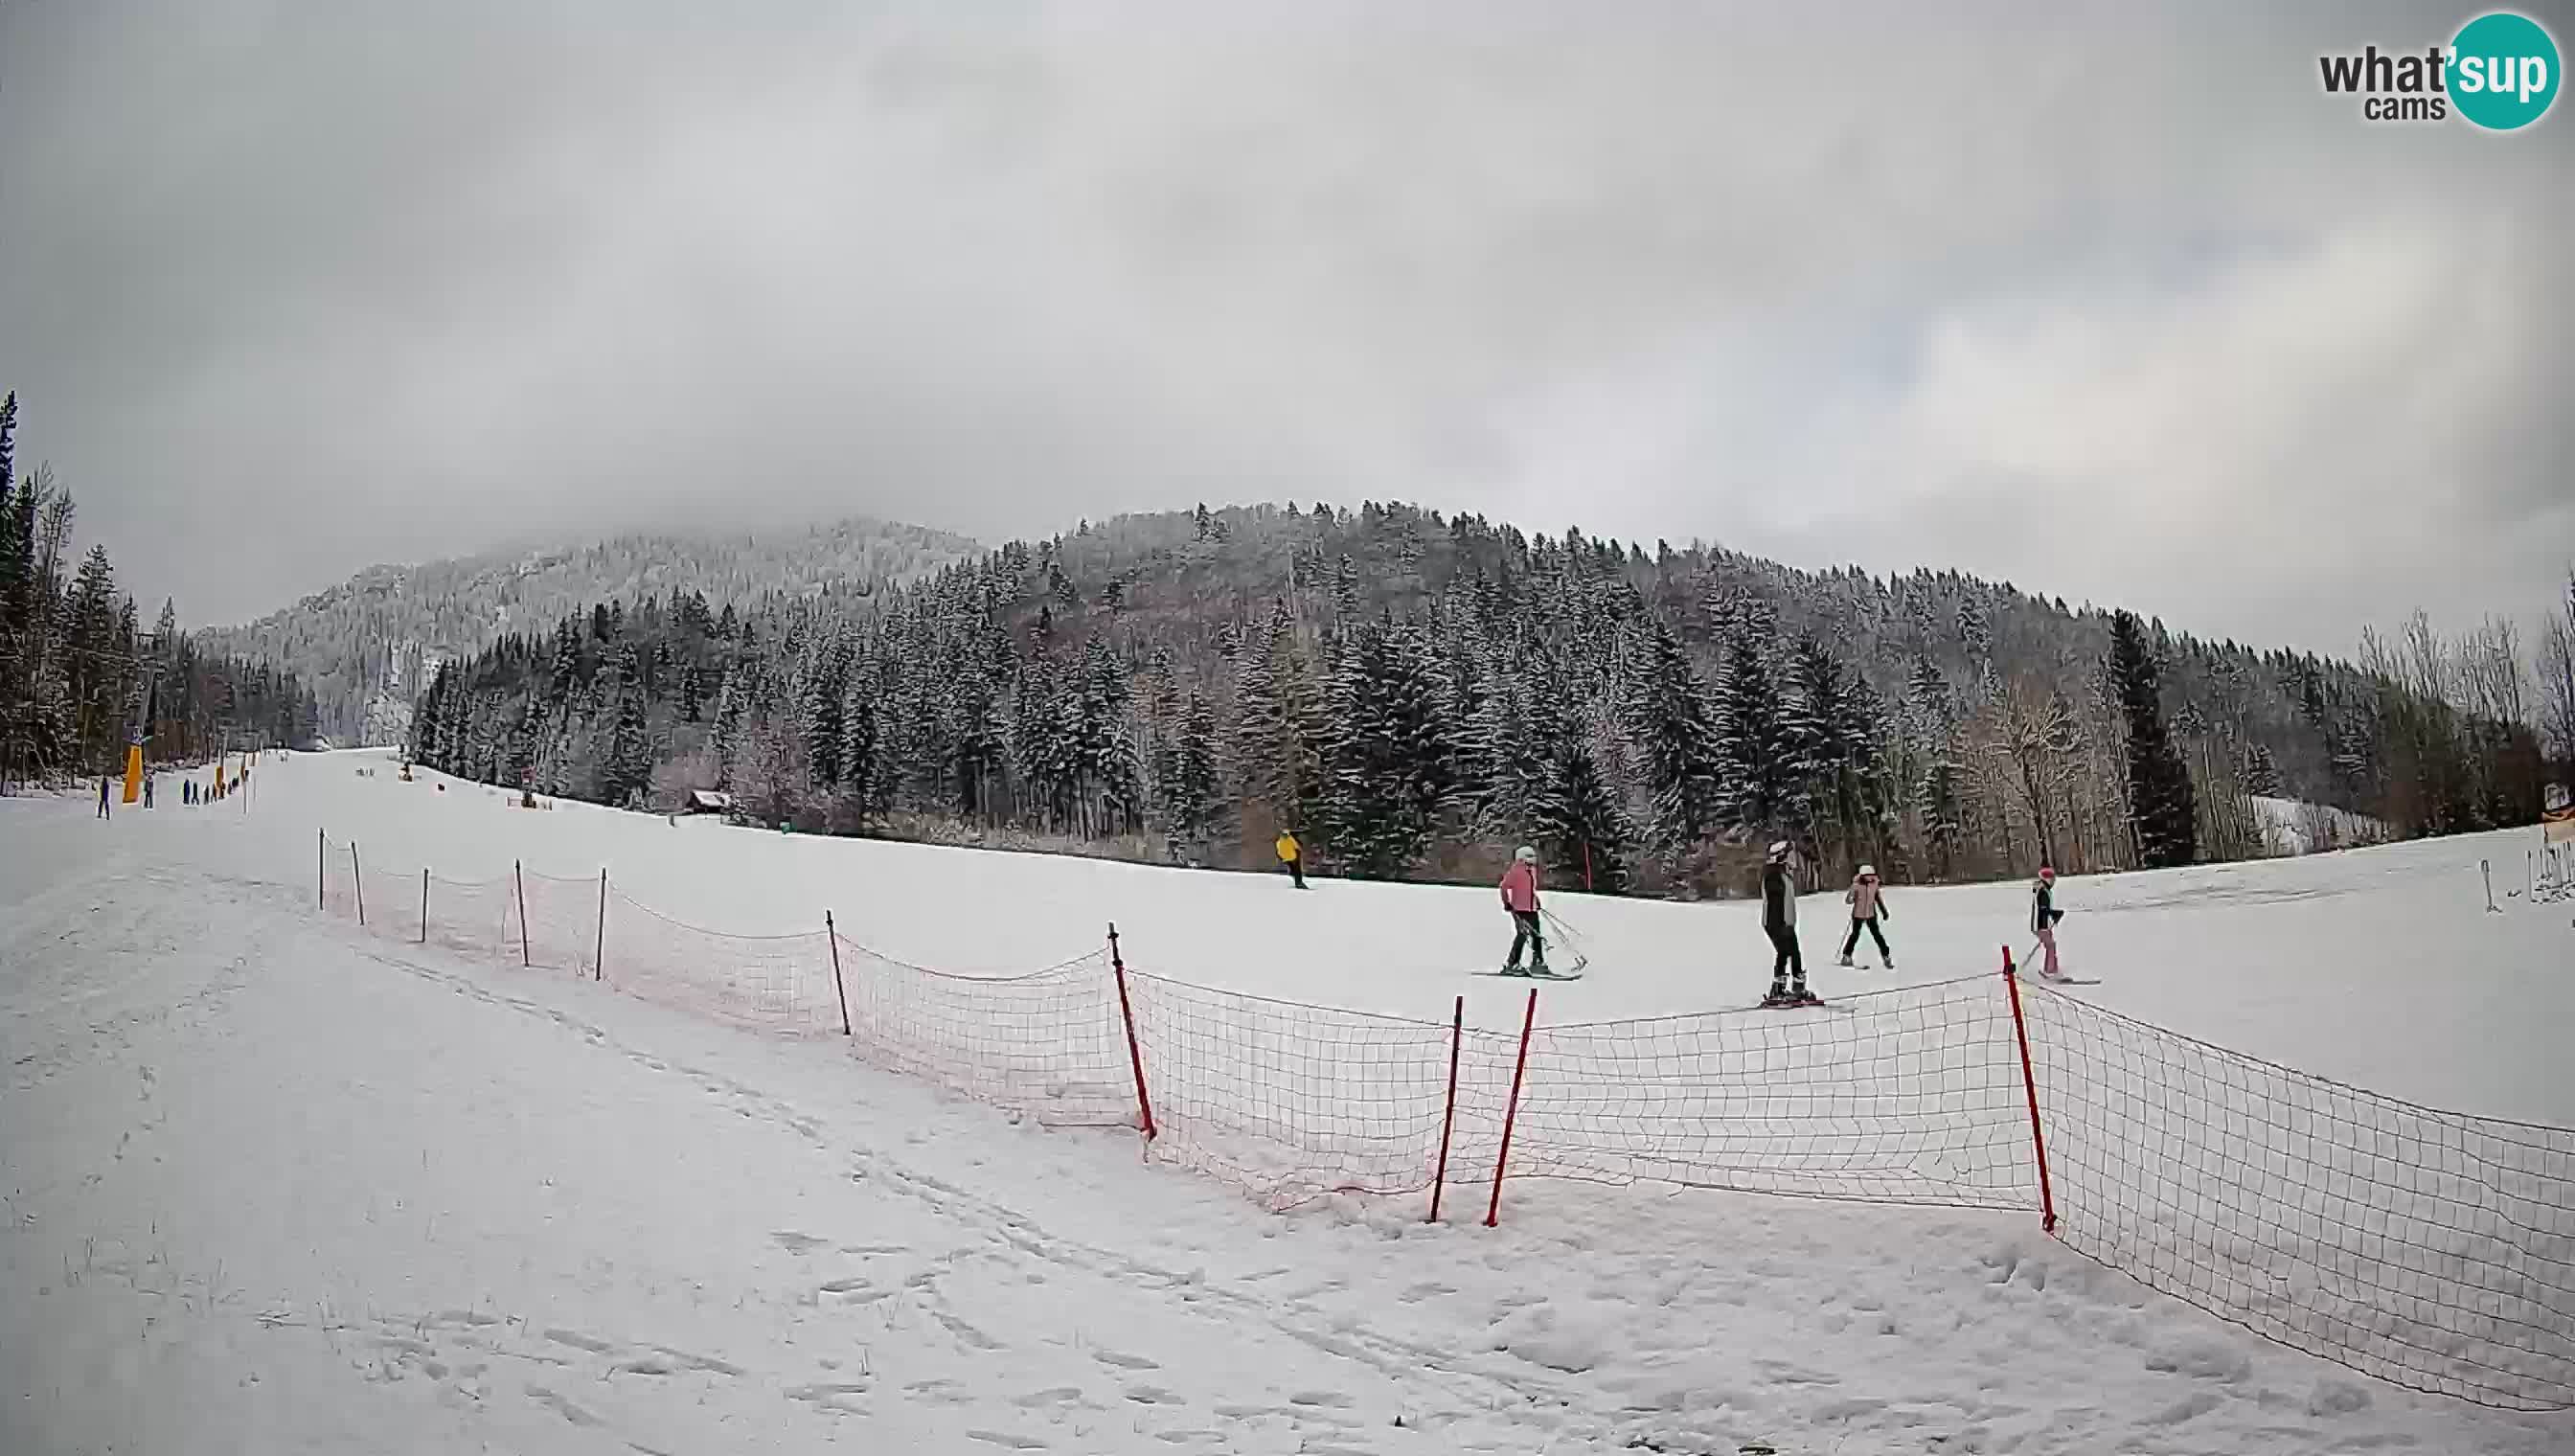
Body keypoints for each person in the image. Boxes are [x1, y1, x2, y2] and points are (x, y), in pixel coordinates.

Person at [1761, 841, 1812, 1005]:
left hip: (1786, 922)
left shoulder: (1784, 874)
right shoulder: (1773, 875)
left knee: (1793, 953)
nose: (1794, 858)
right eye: (1790, 854)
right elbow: (1775, 904)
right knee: (1785, 952)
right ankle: (1778, 989)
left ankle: (1797, 987)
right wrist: (1782, 925)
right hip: (1776, 922)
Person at [1498, 845, 1547, 975]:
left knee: (1536, 935)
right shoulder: (1516, 871)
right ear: (1521, 858)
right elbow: (1503, 887)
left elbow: (1530, 890)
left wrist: (1536, 899)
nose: (1533, 860)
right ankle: (1512, 964)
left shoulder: (1532, 871)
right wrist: (1506, 902)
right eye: (1529, 857)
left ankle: (1538, 963)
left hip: (1532, 908)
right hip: (1519, 909)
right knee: (1522, 935)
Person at [1837, 864, 1892, 968]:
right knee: (1855, 935)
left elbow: (1878, 899)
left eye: (1872, 876)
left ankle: (1886, 956)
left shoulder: (1874, 884)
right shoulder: (1856, 885)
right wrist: (1852, 898)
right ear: (1862, 876)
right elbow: (1848, 900)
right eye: (1868, 876)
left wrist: (1884, 912)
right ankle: (1846, 956)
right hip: (1858, 914)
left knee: (1877, 935)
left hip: (1871, 914)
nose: (1870, 878)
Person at [2031, 866, 2065, 978]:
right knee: (2050, 945)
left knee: (2051, 944)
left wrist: (2053, 915)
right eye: (2052, 879)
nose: (2054, 881)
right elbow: (2043, 909)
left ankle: (2052, 969)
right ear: (2046, 879)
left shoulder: (2043, 890)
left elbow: (2045, 910)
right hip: (2040, 924)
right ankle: (2050, 971)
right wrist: (2054, 914)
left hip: (2042, 924)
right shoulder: (2043, 892)